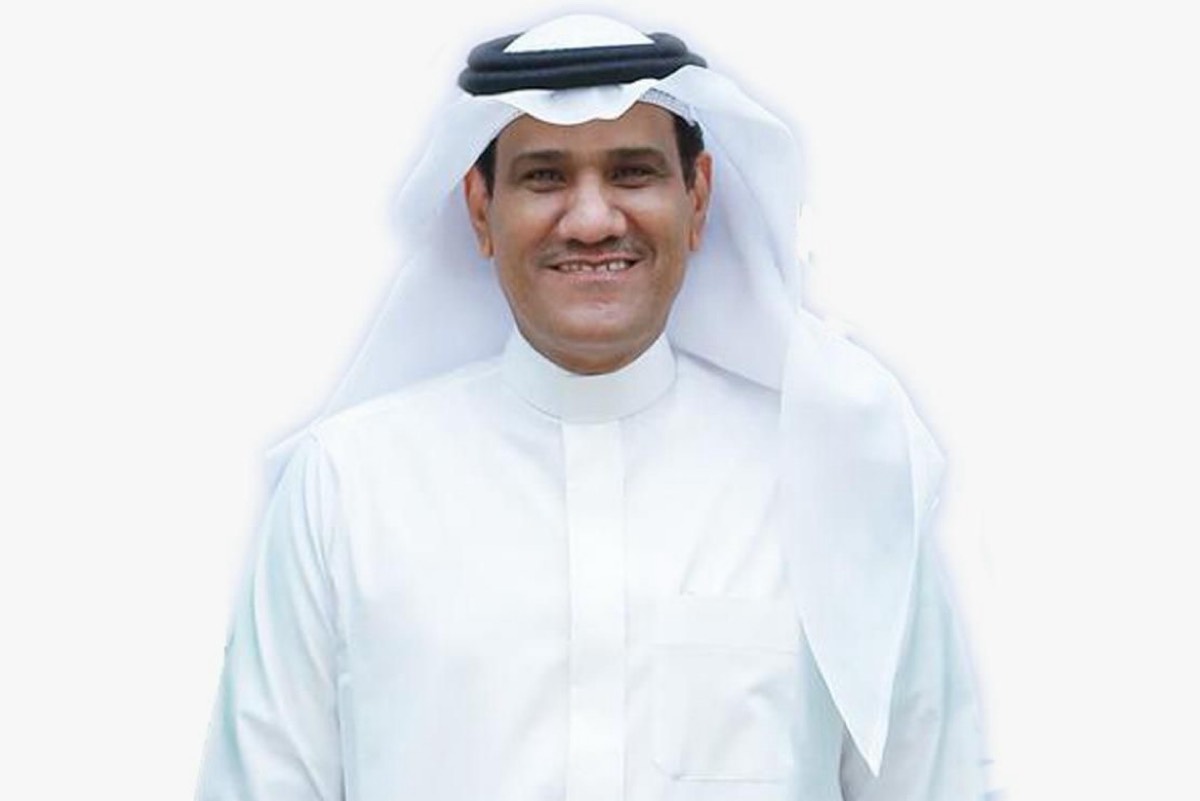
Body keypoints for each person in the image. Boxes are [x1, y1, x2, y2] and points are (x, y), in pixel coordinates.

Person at [195, 14, 986, 801]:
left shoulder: (838, 474)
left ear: (697, 197)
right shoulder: (346, 490)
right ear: (479, 208)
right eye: (545, 177)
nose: (592, 219)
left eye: (632, 172)